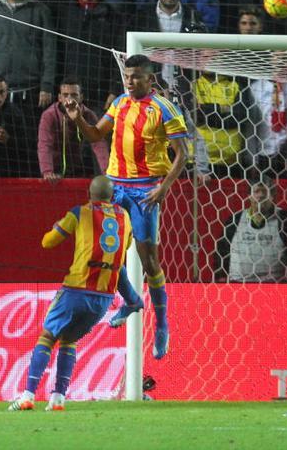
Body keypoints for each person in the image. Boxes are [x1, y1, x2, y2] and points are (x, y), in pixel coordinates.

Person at [70, 54, 189, 360]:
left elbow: (183, 154)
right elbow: (96, 134)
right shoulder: (120, 103)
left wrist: (163, 189)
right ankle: (133, 301)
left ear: (150, 79)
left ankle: (162, 324)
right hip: (115, 186)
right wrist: (78, 120)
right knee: (105, 251)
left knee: (149, 260)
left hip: (146, 189)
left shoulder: (163, 108)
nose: (130, 80)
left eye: (136, 76)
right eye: (127, 75)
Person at [8, 176, 132, 411]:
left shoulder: (80, 212)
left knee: (47, 336)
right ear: (112, 195)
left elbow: (48, 242)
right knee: (69, 340)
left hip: (77, 288)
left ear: (89, 193)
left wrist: (58, 227)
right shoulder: (125, 217)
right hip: (105, 296)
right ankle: (58, 399)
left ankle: (27, 395)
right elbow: (124, 248)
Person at [214, 179, 287, 283]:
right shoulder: (235, 219)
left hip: (274, 286)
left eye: (265, 192)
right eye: (256, 191)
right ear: (249, 195)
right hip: (238, 284)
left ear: (272, 196)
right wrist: (220, 276)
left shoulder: (285, 219)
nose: (261, 195)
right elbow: (222, 250)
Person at [38, 77, 109, 183]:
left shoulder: (89, 115)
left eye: (74, 95)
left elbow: (99, 145)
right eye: (65, 95)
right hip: (55, 172)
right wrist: (47, 171)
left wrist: (107, 172)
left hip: (80, 170)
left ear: (81, 97)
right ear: (59, 98)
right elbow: (45, 145)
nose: (70, 99)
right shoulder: (48, 116)